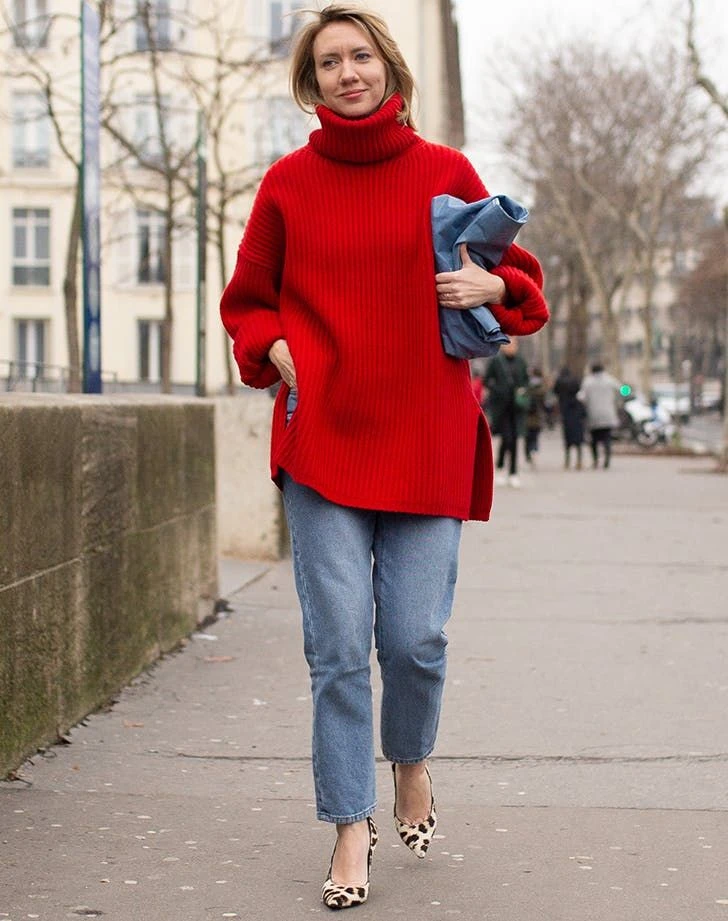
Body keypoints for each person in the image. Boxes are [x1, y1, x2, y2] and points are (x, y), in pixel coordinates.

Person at [220, 4, 548, 910]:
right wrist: (272, 344)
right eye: (327, 62)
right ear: (311, 82)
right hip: (323, 439)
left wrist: (494, 282)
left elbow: (518, 284)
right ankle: (349, 827)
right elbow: (246, 300)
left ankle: (411, 762)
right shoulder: (286, 184)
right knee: (334, 651)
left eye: (359, 55)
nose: (346, 72)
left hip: (427, 439)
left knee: (413, 640)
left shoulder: (446, 174)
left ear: (389, 68)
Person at [483, 338, 530, 488]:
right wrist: (498, 391)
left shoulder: (521, 362)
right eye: (508, 344)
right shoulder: (496, 362)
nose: (511, 347)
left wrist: (522, 390)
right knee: (507, 437)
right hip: (501, 407)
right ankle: (502, 466)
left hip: (516, 407)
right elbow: (487, 381)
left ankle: (513, 472)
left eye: (514, 344)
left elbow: (526, 381)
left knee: (514, 439)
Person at [578, 362, 621, 469]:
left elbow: (581, 397)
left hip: (593, 415)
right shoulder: (609, 380)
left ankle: (596, 459)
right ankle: (607, 458)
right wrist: (627, 393)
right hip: (608, 413)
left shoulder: (588, 382)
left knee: (594, 439)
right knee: (607, 438)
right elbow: (622, 390)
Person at [553, 366, 586, 470]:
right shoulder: (575, 380)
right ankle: (579, 461)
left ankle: (567, 461)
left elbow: (555, 391)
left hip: (565, 411)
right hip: (576, 412)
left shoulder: (559, 381)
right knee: (578, 439)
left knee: (567, 438)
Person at [524, 366, 547, 466]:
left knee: (528, 436)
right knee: (535, 435)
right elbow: (545, 402)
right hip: (537, 415)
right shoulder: (542, 386)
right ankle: (534, 450)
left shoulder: (527, 385)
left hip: (527, 414)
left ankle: (529, 453)